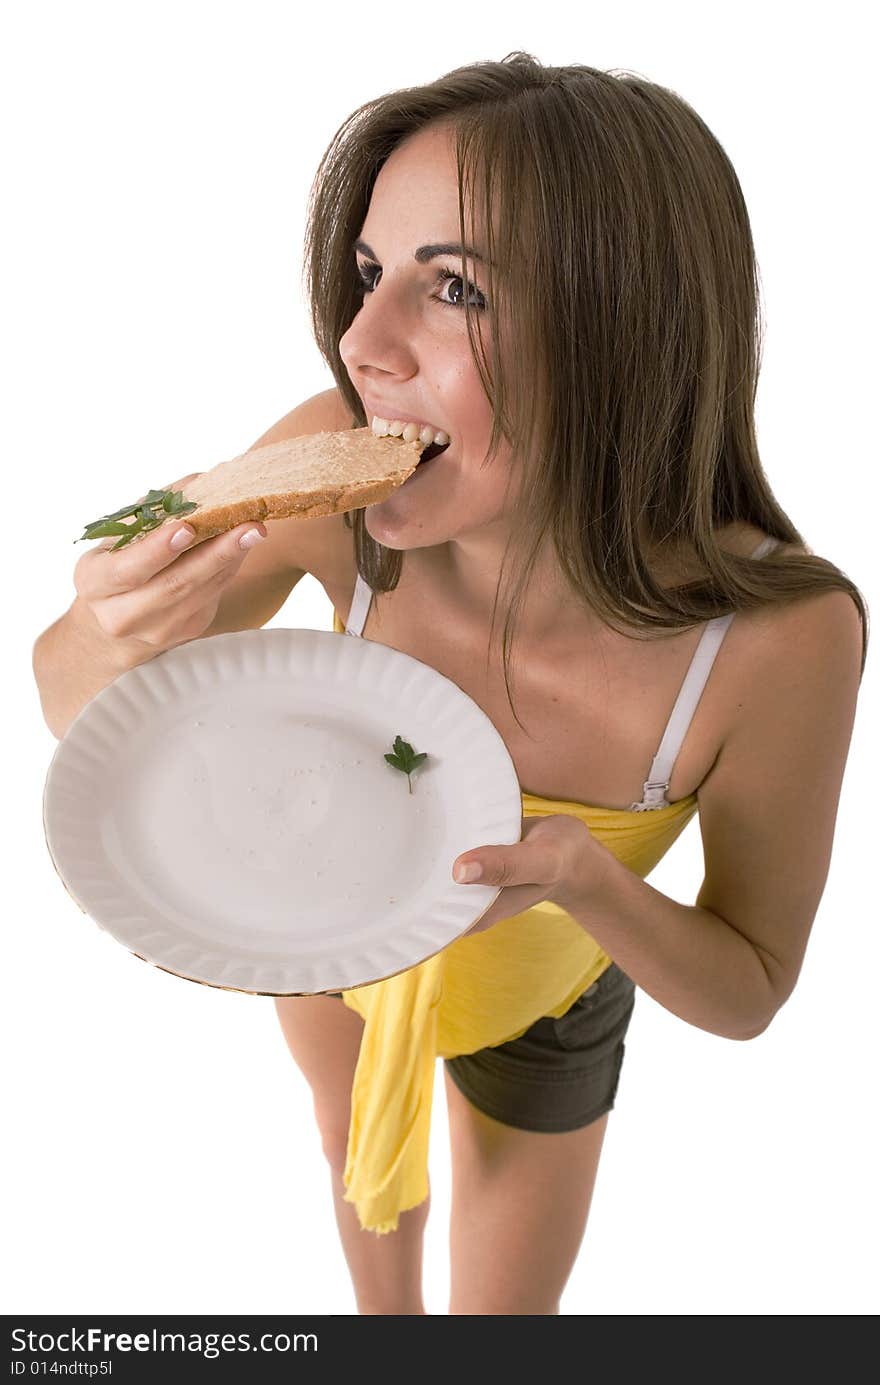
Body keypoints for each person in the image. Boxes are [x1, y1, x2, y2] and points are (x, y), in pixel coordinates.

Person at [33, 53, 868, 1316]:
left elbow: (748, 986)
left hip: (548, 989)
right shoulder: (333, 489)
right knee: (348, 1144)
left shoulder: (776, 637)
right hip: (325, 924)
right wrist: (112, 621)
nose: (362, 344)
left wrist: (584, 881)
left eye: (455, 288)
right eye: (369, 275)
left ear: (622, 328)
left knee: (504, 1319)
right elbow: (70, 700)